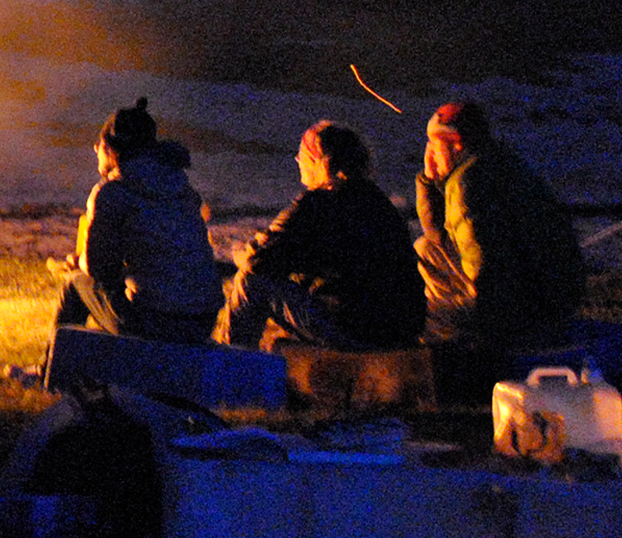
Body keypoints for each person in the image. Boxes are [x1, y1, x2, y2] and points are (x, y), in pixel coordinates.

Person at [223, 121, 426, 351]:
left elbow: (258, 262)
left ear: (315, 161)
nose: (299, 165)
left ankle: (230, 365)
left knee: (250, 284)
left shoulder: (318, 203)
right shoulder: (379, 202)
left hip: (356, 330)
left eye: (301, 158)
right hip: (402, 329)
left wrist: (243, 252)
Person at [51, 97, 224, 344]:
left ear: (110, 148)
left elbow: (99, 269)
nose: (95, 150)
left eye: (99, 144)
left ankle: (55, 367)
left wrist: (79, 262)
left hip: (157, 321)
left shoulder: (113, 192)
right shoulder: (182, 188)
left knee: (76, 282)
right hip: (202, 322)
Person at [414, 102, 585, 348]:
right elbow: (438, 237)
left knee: (422, 315)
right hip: (553, 293)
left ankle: (463, 349)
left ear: (457, 144)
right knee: (426, 249)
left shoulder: (467, 183)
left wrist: (474, 314)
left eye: (435, 145)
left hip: (528, 306)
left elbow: (484, 264)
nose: (429, 151)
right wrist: (429, 181)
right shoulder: (494, 161)